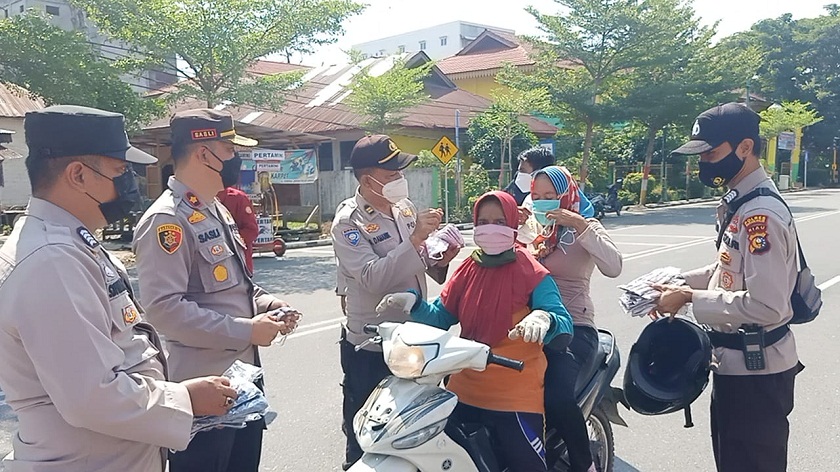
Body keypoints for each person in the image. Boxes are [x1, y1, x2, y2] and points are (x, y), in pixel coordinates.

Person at [0, 105, 238, 472]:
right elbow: (91, 396)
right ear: (78, 174)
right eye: (119, 171)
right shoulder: (51, 261)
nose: (130, 182)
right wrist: (186, 398)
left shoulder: (69, 243)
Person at [133, 108, 301, 472]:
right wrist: (247, 330)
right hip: (202, 391)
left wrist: (270, 304)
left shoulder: (214, 210)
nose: (234, 159)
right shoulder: (168, 219)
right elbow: (164, 310)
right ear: (203, 153)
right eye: (228, 150)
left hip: (242, 382)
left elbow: (238, 287)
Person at [652, 102, 803, 472]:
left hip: (757, 372)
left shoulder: (759, 215)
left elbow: (768, 305)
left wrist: (689, 298)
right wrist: (679, 282)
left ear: (745, 148)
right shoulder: (741, 202)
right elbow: (730, 271)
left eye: (711, 153)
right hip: (736, 367)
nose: (703, 163)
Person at [379, 190, 574, 472]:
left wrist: (544, 319)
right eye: (483, 221)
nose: (490, 228)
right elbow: (442, 316)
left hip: (513, 391)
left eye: (498, 220)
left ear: (511, 223)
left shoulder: (530, 271)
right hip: (463, 386)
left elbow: (563, 321)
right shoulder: (469, 267)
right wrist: (415, 304)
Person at [331, 134, 460, 470]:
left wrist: (441, 257)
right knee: (367, 436)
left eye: (398, 174)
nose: (398, 181)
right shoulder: (349, 222)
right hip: (373, 346)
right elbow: (372, 278)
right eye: (390, 176)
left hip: (416, 339)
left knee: (414, 430)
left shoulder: (405, 208)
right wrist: (416, 238)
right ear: (366, 179)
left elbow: (424, 263)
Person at [528, 166, 623, 471]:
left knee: (556, 398)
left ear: (566, 195)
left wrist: (580, 224)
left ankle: (584, 464)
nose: (543, 203)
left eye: (550, 196)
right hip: (528, 327)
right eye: (537, 196)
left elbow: (614, 265)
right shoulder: (532, 227)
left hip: (574, 329)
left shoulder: (586, 227)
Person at [216, 152, 259, 272]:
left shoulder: (238, 198)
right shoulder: (201, 197)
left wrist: (227, 243)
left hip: (238, 263)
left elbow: (251, 230)